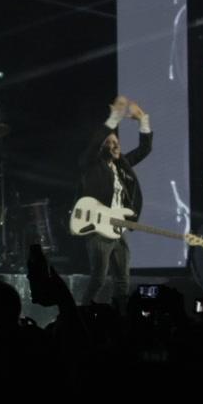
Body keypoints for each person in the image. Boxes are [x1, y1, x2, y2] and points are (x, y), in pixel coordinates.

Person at [78, 96, 151, 307]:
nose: (114, 146)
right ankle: (81, 314)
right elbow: (94, 144)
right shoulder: (90, 165)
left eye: (116, 143)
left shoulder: (122, 166)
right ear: (101, 147)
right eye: (109, 143)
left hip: (119, 230)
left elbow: (144, 149)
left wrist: (143, 120)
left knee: (122, 280)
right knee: (99, 279)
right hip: (99, 230)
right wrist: (114, 118)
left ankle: (121, 319)